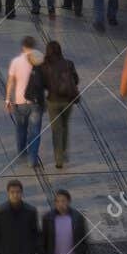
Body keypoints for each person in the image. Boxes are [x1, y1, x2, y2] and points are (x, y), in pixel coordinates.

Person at [42, 40, 80, 170]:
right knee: (65, 126)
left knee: (56, 130)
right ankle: (63, 151)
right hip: (68, 100)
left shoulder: (46, 65)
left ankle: (59, 159)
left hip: (53, 100)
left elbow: (43, 83)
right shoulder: (69, 63)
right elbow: (76, 80)